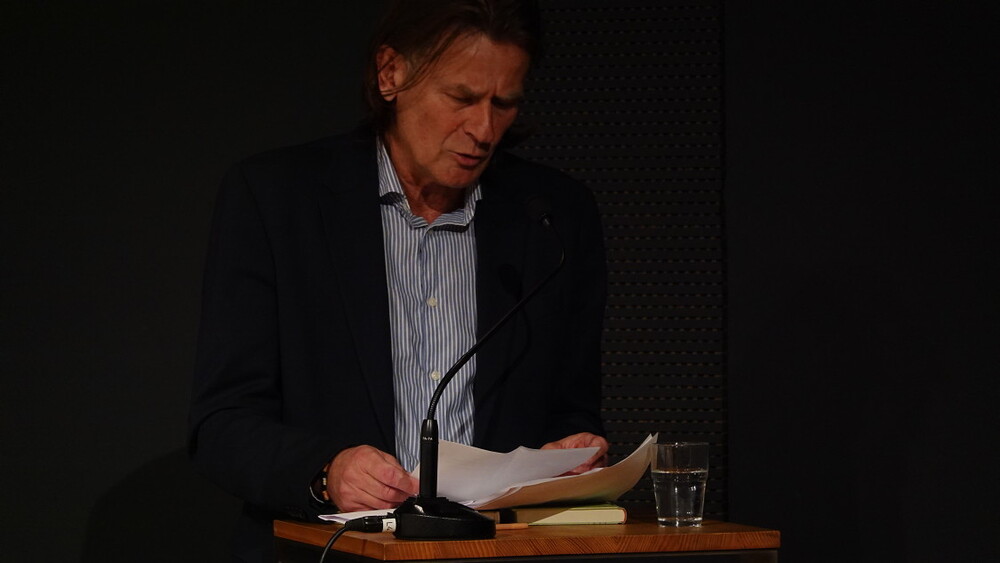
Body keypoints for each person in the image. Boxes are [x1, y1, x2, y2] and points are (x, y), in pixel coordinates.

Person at [188, 1, 607, 560]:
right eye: (461, 98)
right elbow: (221, 424)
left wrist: (570, 455)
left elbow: (572, 405)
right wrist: (325, 471)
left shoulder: (554, 217)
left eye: (503, 104)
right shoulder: (276, 200)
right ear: (391, 74)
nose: (483, 130)